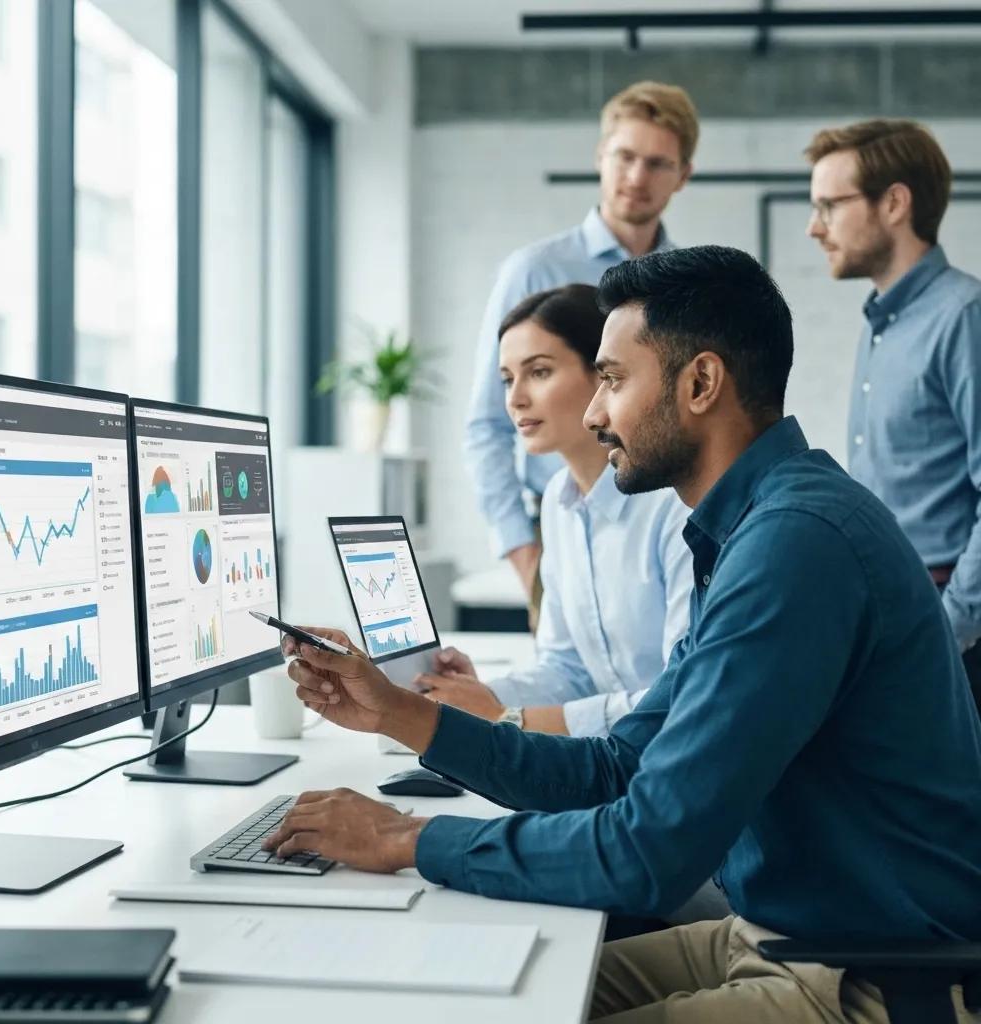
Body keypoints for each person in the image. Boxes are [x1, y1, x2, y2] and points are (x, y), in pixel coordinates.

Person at [269, 246, 981, 1023]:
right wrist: (395, 713)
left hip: (871, 977)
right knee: (454, 996)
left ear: (700, 383)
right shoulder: (754, 529)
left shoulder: (795, 544)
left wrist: (405, 839)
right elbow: (620, 765)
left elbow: (649, 853)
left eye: (611, 379)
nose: (594, 413)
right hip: (778, 935)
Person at [419, 283, 692, 738]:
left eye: (539, 372)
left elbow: (680, 699)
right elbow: (569, 671)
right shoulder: (558, 505)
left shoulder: (675, 506)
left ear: (604, 376)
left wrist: (506, 718)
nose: (515, 399)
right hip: (613, 760)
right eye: (508, 379)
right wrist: (475, 694)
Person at [465, 81, 698, 600]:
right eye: (625, 156)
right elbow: (487, 423)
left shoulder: (685, 285)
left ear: (683, 175)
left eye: (658, 163)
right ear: (600, 157)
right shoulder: (534, 271)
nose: (637, 177)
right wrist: (525, 555)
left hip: (660, 525)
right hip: (559, 522)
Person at [805, 119, 981, 713]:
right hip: (899, 614)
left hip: (953, 630)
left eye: (829, 205)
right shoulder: (883, 325)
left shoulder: (963, 316)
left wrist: (949, 629)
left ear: (895, 203)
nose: (814, 227)